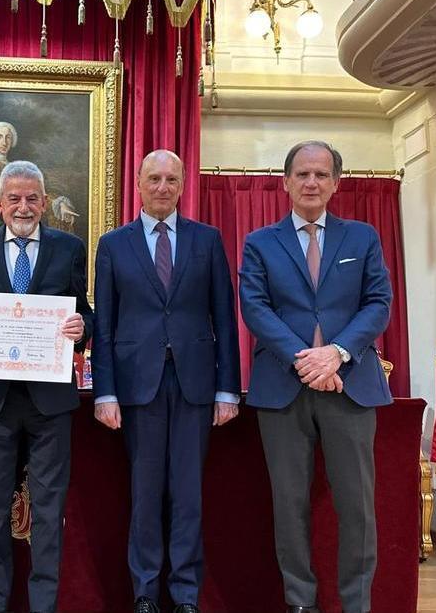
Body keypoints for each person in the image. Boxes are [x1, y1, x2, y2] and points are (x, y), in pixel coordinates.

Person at [238, 141, 392, 613]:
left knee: (357, 507)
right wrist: (307, 360)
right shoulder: (260, 242)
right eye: (302, 174)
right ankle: (300, 603)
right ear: (285, 182)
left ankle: (356, 604)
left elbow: (378, 303)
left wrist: (337, 355)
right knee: (289, 505)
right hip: (283, 387)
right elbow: (255, 308)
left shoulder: (361, 237)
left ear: (336, 184)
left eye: (321, 175)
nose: (311, 183)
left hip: (351, 385)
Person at [90, 150, 241, 613]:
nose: (162, 187)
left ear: (182, 186)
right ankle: (144, 593)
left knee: (188, 495)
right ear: (137, 182)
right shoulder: (114, 244)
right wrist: (105, 391)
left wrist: (227, 388)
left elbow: (224, 317)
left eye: (171, 179)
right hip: (138, 388)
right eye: (153, 178)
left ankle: (186, 595)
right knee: (145, 493)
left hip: (196, 385)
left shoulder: (207, 240)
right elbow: (106, 325)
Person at [0, 160, 93, 613]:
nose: (24, 207)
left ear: (45, 203)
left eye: (33, 199)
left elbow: (86, 314)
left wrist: (80, 328)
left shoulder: (69, 247)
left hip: (50, 402)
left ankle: (43, 605)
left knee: (49, 514)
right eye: (15, 199)